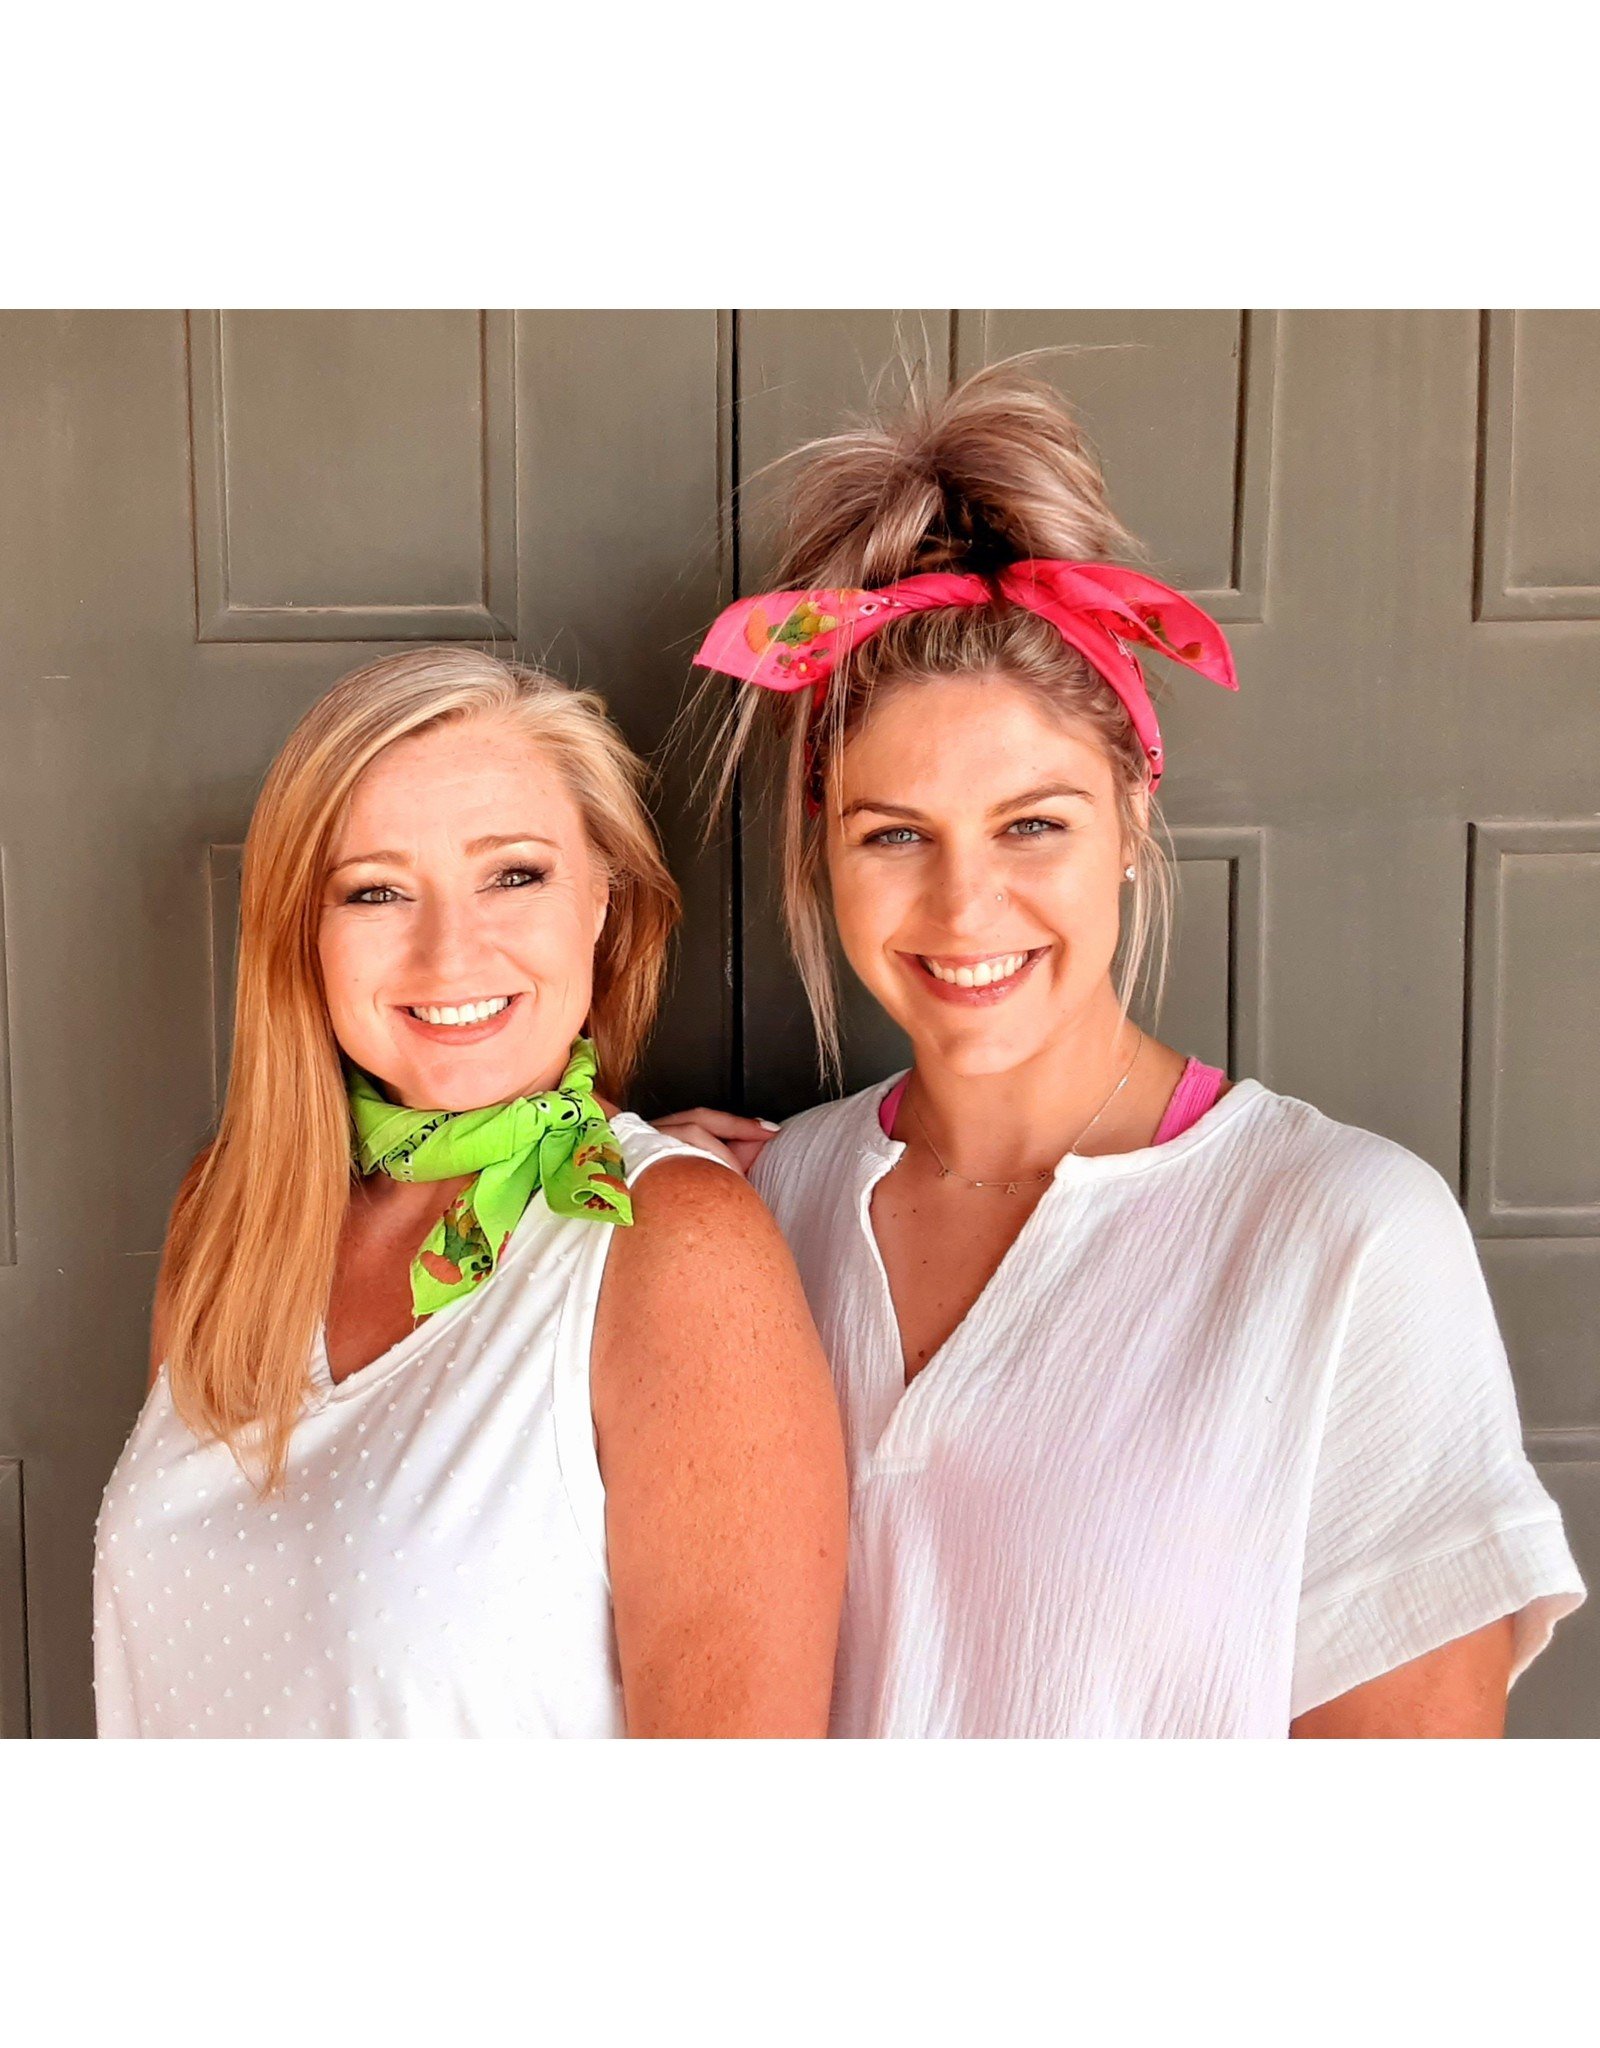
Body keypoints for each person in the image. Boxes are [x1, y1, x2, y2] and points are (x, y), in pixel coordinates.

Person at [658, 363, 1586, 1738]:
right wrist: (637, 1231)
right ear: (824, 853)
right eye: (893, 834)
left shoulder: (1344, 1237)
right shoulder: (762, 1215)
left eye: (1033, 825)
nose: (965, 909)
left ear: (1132, 820)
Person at [94, 648, 846, 1737]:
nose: (450, 951)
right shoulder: (229, 1211)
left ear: (603, 897)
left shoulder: (671, 1242)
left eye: (514, 874)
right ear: (305, 931)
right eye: (376, 889)